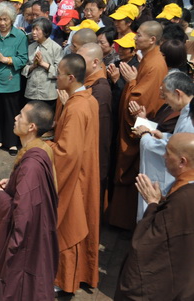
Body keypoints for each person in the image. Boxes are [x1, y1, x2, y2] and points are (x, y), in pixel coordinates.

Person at [0, 101, 59, 301]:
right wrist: (13, 184)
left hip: (27, 244)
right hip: (39, 233)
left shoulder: (31, 165)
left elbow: (23, 215)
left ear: (32, 127)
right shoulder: (41, 148)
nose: (16, 117)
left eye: (21, 116)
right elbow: (31, 193)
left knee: (18, 286)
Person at [114, 133, 194, 300]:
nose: (164, 156)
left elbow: (148, 244)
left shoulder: (183, 200)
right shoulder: (184, 190)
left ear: (182, 162)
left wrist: (152, 203)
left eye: (168, 152)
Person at [109, 21, 169, 230]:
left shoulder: (154, 64)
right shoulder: (150, 58)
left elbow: (138, 101)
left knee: (132, 171)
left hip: (142, 124)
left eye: (140, 35)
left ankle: (125, 222)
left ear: (152, 39)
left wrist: (131, 81)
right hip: (141, 121)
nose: (135, 38)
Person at [50, 54, 100, 295]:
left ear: (70, 77)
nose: (55, 76)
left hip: (73, 176)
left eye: (58, 73)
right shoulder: (85, 100)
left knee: (68, 227)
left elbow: (66, 152)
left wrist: (43, 147)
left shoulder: (78, 107)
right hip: (85, 170)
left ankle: (65, 281)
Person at [133, 72, 194, 220]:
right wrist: (164, 136)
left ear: (178, 93)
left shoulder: (189, 120)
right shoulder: (186, 111)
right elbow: (177, 140)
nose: (165, 101)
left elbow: (178, 149)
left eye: (165, 96)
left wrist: (145, 136)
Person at [0, 2, 28, 155]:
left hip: (10, 80)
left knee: (11, 112)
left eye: (5, 20)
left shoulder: (20, 36)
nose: (2, 23)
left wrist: (6, 59)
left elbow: (22, 59)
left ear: (12, 20)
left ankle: (12, 143)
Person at [77, 43, 112, 213]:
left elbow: (96, 129)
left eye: (81, 60)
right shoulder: (89, 81)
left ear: (95, 62)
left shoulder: (101, 90)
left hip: (93, 150)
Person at [22, 17, 62, 107]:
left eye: (37, 30)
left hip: (48, 94)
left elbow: (59, 72)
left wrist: (43, 64)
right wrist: (33, 66)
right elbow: (23, 68)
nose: (34, 32)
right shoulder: (30, 47)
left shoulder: (56, 48)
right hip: (31, 92)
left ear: (45, 32)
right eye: (33, 29)